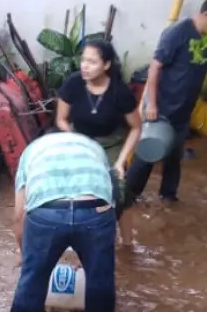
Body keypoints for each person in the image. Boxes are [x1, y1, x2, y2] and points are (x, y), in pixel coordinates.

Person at [122, 0, 207, 214]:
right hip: (162, 105)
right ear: (205, 14)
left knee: (175, 153)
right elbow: (155, 68)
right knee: (149, 150)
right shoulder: (178, 33)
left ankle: (168, 196)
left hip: (183, 107)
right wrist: (152, 104)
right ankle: (128, 196)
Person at [6, 131, 119, 312]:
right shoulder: (94, 147)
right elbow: (112, 198)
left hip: (47, 212)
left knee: (33, 276)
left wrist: (24, 252)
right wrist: (88, 255)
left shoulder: (30, 152)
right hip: (95, 211)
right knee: (100, 277)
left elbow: (19, 213)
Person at [55, 39, 142, 243]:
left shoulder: (120, 92)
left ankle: (128, 242)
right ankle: (78, 240)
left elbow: (137, 127)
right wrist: (74, 140)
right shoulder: (73, 83)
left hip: (110, 143)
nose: (85, 66)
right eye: (83, 60)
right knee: (75, 190)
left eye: (92, 62)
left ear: (106, 65)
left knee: (120, 191)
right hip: (78, 141)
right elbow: (61, 119)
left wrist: (121, 161)